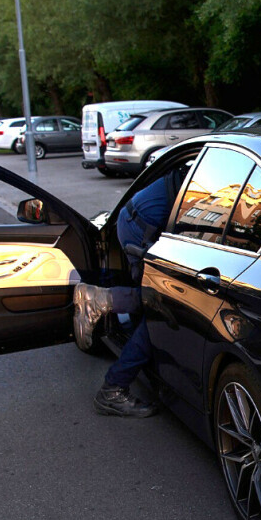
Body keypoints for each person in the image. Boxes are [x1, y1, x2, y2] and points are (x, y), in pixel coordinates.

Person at [73, 175, 176, 418]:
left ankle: (108, 299)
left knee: (154, 306)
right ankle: (113, 389)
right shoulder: (222, 172)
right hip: (142, 227)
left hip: (137, 220)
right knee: (159, 308)